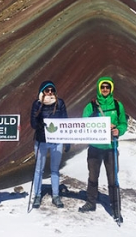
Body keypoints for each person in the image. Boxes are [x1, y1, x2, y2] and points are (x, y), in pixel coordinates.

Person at [78, 76, 127, 223]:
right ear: (99, 88)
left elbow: (123, 123)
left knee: (113, 179)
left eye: (107, 87)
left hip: (111, 148)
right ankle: (91, 202)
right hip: (94, 147)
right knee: (93, 177)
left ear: (111, 88)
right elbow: (84, 123)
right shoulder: (91, 106)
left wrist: (118, 130)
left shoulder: (118, 106)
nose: (105, 89)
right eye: (102, 87)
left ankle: (116, 208)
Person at [30, 80, 69, 209]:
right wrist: (38, 125)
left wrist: (67, 140)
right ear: (42, 92)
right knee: (38, 170)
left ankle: (56, 196)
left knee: (55, 169)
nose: (50, 92)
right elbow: (33, 122)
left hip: (56, 141)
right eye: (47, 90)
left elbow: (65, 122)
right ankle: (37, 195)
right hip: (41, 141)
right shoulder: (37, 104)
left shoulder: (60, 103)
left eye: (52, 90)